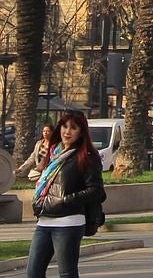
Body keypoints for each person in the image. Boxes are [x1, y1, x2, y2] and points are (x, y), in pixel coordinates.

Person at [27, 108, 105, 278]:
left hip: (68, 222)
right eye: (64, 126)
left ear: (81, 132)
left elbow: (96, 190)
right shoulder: (54, 153)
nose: (67, 131)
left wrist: (65, 200)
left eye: (73, 128)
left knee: (67, 273)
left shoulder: (87, 156)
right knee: (33, 272)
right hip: (45, 220)